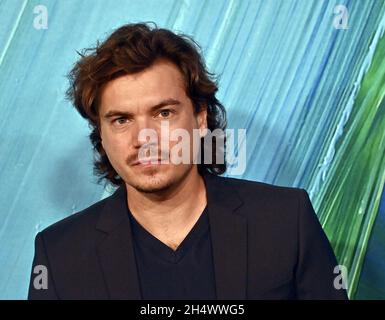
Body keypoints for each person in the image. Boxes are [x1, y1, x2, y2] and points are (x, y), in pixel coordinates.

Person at [28, 22, 348, 300]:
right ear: (102, 134)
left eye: (163, 113)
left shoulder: (285, 221)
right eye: (121, 120)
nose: (145, 137)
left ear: (199, 117)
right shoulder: (59, 257)